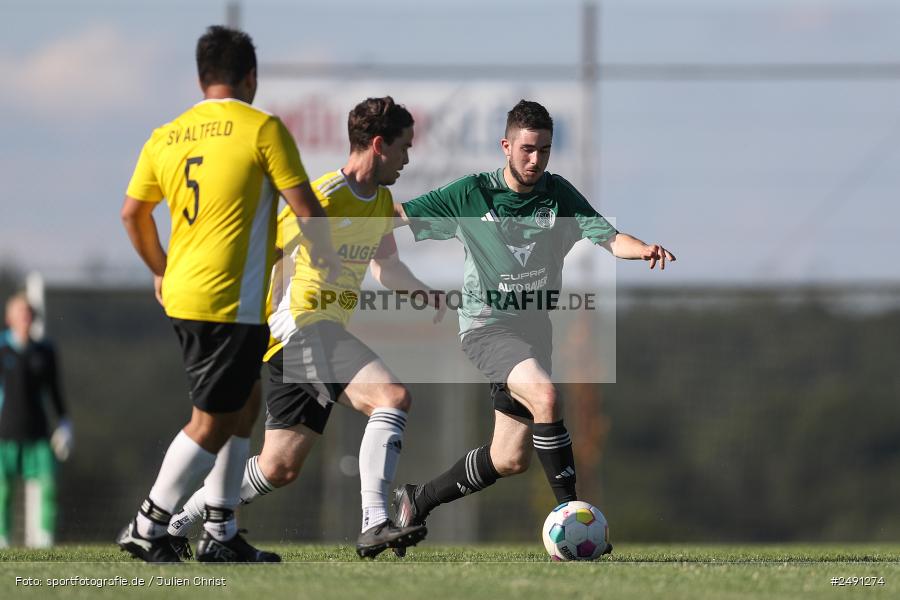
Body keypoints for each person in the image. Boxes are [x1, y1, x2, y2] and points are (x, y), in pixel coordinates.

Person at [391, 100, 675, 554]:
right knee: (546, 395)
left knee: (508, 459)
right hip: (486, 327)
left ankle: (416, 502)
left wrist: (642, 248)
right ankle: (575, 516)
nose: (535, 159)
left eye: (544, 149)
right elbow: (398, 215)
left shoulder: (559, 194)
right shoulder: (471, 194)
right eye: (526, 149)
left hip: (534, 333)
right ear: (506, 146)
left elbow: (606, 236)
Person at [167, 97, 438, 558]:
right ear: (378, 144)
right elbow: (264, 254)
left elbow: (386, 266)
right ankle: (375, 521)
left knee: (279, 466)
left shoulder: (381, 202)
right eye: (404, 148)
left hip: (310, 336)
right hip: (301, 326)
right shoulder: (322, 197)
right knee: (392, 397)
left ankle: (177, 525)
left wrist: (424, 293)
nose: (408, 159)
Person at [117, 25, 340, 563]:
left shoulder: (167, 134)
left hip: (188, 291)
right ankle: (147, 525)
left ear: (201, 77)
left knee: (244, 404)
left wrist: (161, 268)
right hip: (229, 300)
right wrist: (330, 262)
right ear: (251, 77)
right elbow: (306, 209)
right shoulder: (262, 128)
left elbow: (133, 213)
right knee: (212, 420)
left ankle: (221, 533)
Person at [0, 293, 72, 548]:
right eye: (20, 312)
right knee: (3, 491)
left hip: (39, 432)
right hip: (4, 433)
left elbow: (54, 390)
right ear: (9, 318)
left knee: (48, 485)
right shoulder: (3, 348)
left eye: (28, 313)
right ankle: (2, 538)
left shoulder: (45, 351)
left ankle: (44, 537)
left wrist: (65, 424)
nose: (25, 317)